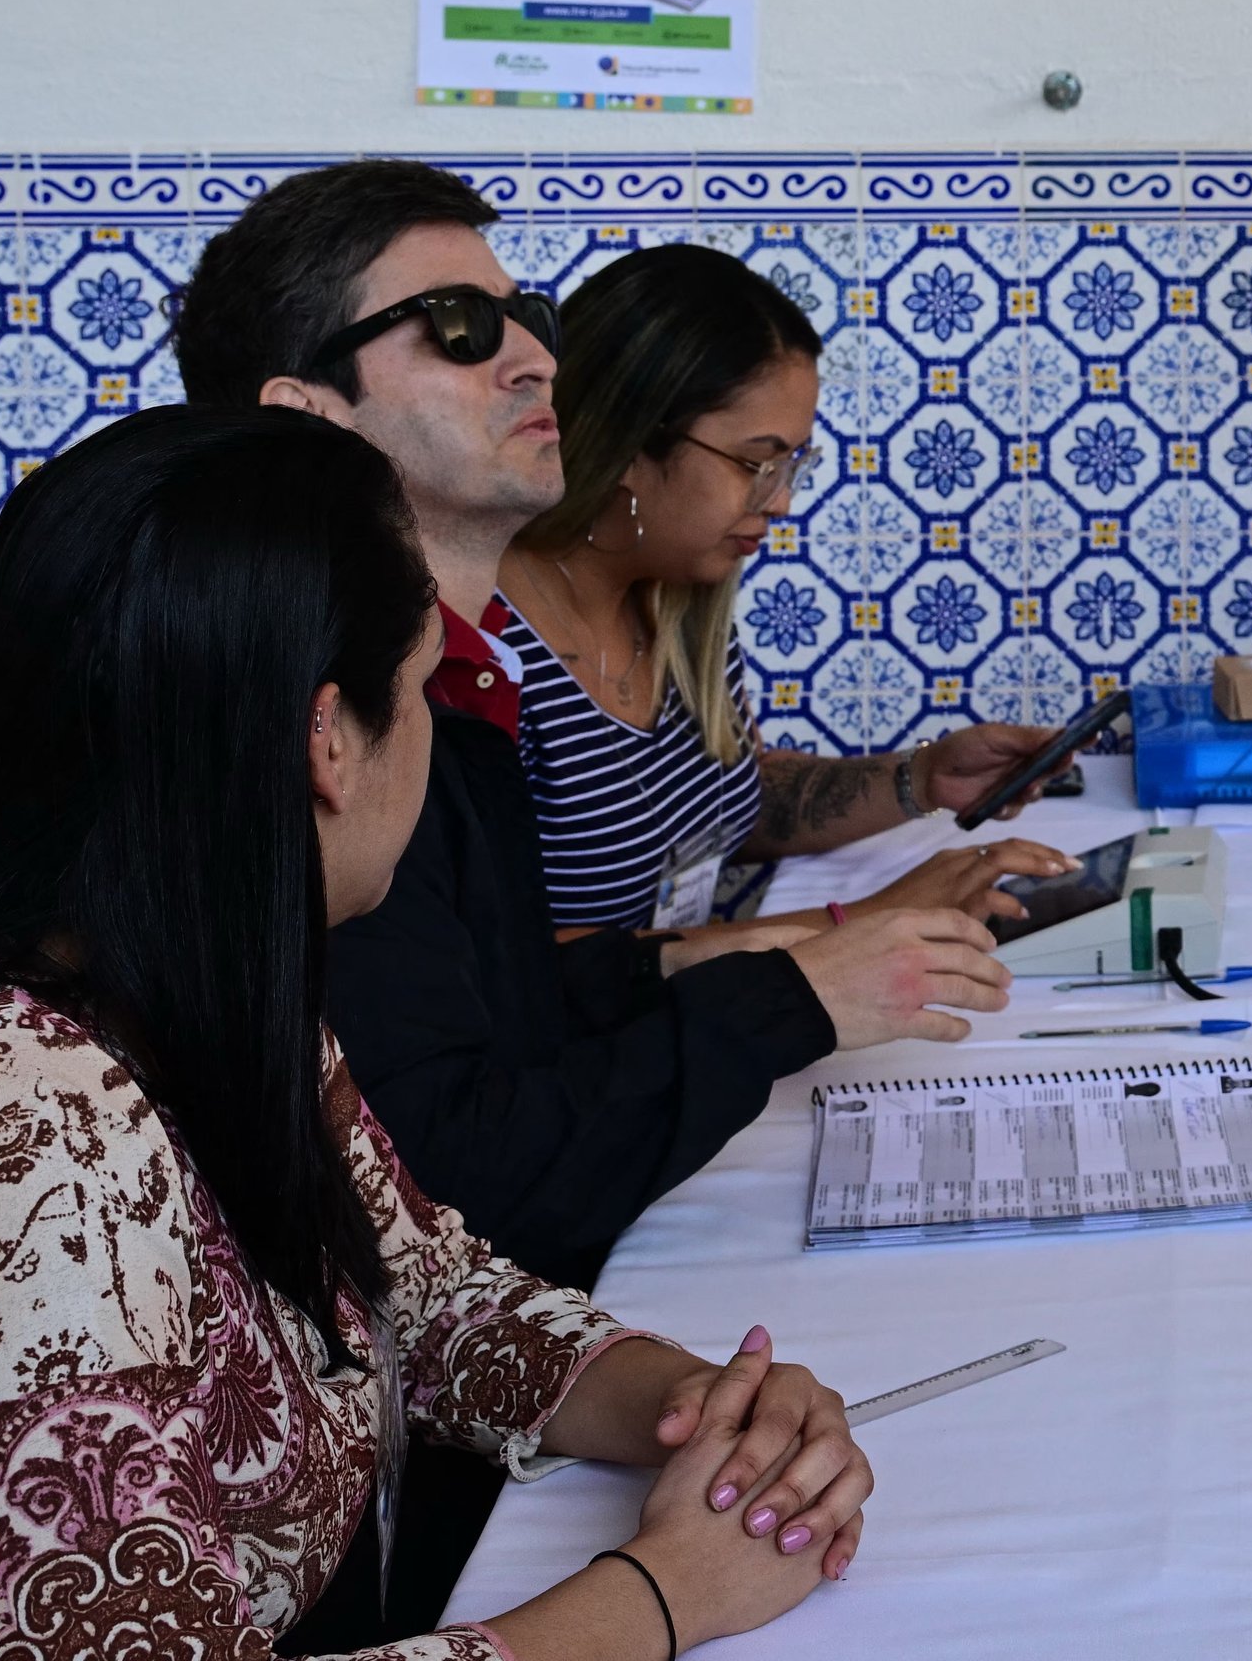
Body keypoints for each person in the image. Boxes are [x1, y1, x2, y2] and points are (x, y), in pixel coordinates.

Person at [0, 406, 872, 1660]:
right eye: (419, 689)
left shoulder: (189, 982)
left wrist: (690, 1406)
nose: (436, 735)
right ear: (326, 738)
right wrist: (664, 1594)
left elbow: (420, 1294)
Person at [164, 161, 1059, 1639]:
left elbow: (426, 1255)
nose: (534, 352)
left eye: (527, 313)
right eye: (460, 324)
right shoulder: (6, 1088)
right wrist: (648, 1601)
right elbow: (472, 1162)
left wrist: (671, 1396)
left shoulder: (461, 698)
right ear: (305, 418)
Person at [492, 241, 1076, 943]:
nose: (781, 502)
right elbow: (517, 976)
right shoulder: (483, 653)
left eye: (795, 465)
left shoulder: (676, 602)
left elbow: (721, 803)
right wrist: (859, 924)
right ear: (628, 441)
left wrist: (920, 778)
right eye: (757, 463)